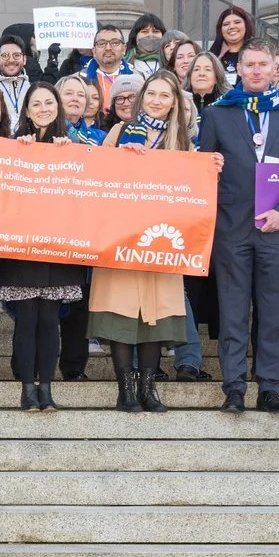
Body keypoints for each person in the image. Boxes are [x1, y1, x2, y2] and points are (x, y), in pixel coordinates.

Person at [198, 41, 279, 413]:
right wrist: (209, 164)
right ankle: (233, 387)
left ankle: (269, 386)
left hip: (277, 228)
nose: (255, 71)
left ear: (274, 69)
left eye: (261, 65)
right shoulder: (219, 113)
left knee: (272, 312)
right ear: (238, 69)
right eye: (248, 64)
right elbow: (205, 169)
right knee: (233, 311)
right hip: (232, 227)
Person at [92, 72, 195, 413]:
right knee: (122, 313)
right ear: (142, 96)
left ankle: (149, 390)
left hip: (161, 241)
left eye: (165, 96)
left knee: (155, 315)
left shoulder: (181, 143)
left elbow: (192, 189)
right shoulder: (120, 131)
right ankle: (126, 390)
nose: (157, 100)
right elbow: (98, 178)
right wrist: (121, 158)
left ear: (174, 103)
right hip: (122, 239)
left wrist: (211, 168)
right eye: (152, 93)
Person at [0, 84, 89, 412]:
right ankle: (26, 387)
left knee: (50, 319)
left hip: (58, 246)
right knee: (26, 319)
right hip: (22, 247)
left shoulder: (73, 144)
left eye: (49, 102)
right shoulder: (12, 144)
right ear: (27, 109)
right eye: (37, 103)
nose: (43, 108)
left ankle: (46, 387)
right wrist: (17, 153)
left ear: (58, 107)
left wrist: (70, 151)